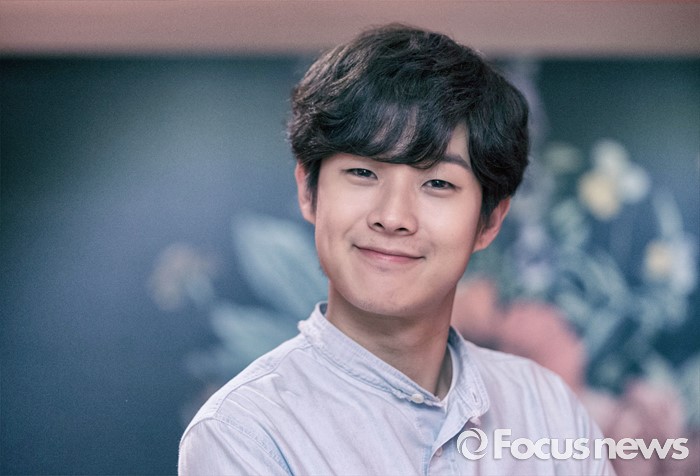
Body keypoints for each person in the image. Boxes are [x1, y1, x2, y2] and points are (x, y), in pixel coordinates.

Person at [179, 24, 614, 475]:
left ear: (489, 221)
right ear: (309, 192)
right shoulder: (245, 433)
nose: (393, 216)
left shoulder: (547, 410)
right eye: (364, 172)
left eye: (438, 182)